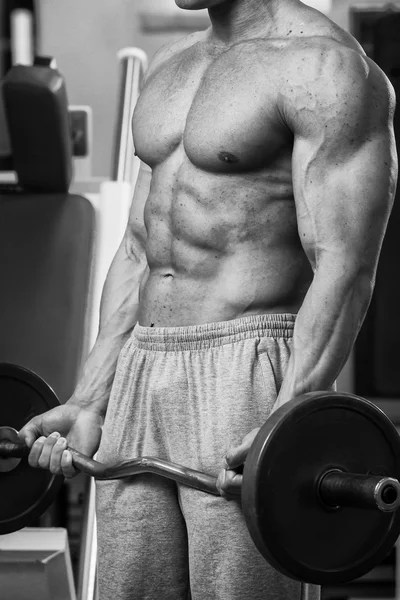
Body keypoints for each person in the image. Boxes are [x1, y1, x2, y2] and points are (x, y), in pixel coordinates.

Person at [19, 0, 397, 598]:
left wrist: (293, 409)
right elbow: (140, 246)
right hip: (143, 366)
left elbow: (344, 264)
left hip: (244, 368)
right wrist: (92, 396)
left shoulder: (327, 70)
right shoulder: (172, 65)